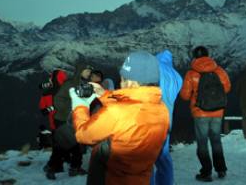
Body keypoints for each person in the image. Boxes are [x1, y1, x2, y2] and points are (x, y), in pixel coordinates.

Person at [70, 50, 170, 185]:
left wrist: (79, 106)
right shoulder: (162, 109)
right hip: (142, 178)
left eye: (122, 79)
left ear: (132, 83)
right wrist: (104, 94)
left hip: (112, 178)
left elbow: (83, 135)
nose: (120, 83)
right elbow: (132, 105)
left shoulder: (115, 112)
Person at [180, 46, 231, 182]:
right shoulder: (219, 71)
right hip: (218, 111)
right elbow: (227, 88)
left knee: (202, 143)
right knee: (216, 140)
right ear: (208, 56)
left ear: (195, 57)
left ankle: (206, 172)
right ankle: (221, 170)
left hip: (200, 113)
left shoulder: (191, 73)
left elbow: (185, 95)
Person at [45, 64, 93, 180]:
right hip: (63, 119)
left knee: (78, 145)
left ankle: (74, 167)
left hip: (76, 119)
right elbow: (58, 100)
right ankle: (52, 167)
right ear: (80, 71)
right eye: (86, 71)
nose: (88, 73)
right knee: (62, 145)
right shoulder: (70, 84)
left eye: (89, 72)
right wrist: (71, 108)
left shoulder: (86, 84)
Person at [151, 50, 183, 185]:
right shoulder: (177, 76)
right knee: (163, 156)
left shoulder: (154, 69)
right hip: (167, 119)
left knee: (146, 159)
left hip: (152, 118)